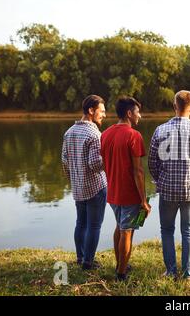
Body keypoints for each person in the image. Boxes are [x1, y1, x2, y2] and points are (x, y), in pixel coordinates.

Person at [148, 90, 190, 282]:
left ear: (175, 106)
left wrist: (161, 177)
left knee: (166, 230)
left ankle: (170, 271)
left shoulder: (160, 130)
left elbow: (152, 162)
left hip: (167, 189)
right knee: (188, 230)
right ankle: (187, 273)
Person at [101, 96, 151, 281]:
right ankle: (121, 273)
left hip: (112, 192)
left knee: (120, 227)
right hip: (129, 193)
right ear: (129, 114)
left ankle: (120, 262)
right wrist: (144, 200)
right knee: (127, 231)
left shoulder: (105, 134)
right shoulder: (133, 135)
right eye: (138, 112)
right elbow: (138, 171)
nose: (140, 116)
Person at [61, 94, 107, 271]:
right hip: (96, 187)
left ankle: (80, 257)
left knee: (81, 223)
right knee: (94, 225)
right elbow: (95, 165)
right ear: (91, 110)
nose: (104, 115)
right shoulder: (94, 134)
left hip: (78, 187)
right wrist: (109, 159)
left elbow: (64, 161)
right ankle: (88, 262)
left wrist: (73, 179)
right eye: (101, 111)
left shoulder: (69, 132)